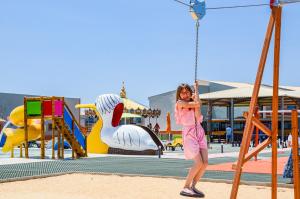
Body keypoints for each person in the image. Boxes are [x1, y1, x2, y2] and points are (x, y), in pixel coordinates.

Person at [175, 82, 207, 198]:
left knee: (205, 163)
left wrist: (197, 89)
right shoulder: (179, 103)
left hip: (199, 131)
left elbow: (198, 112)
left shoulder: (193, 104)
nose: (185, 94)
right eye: (182, 92)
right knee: (198, 162)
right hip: (189, 133)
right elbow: (197, 104)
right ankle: (186, 186)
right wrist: (196, 100)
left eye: (187, 91)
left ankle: (193, 186)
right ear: (179, 95)